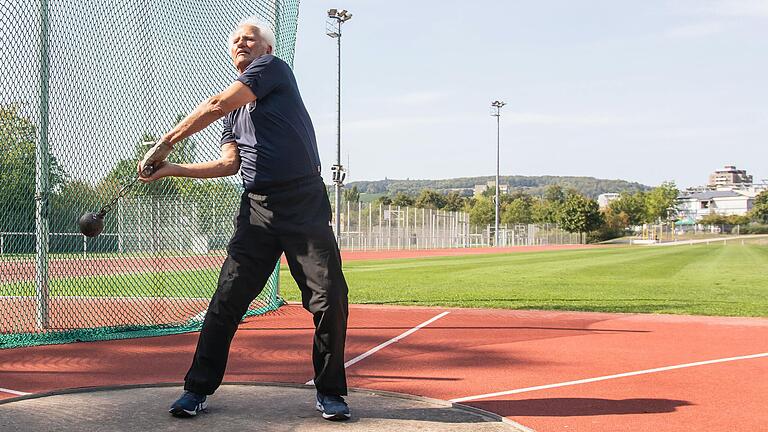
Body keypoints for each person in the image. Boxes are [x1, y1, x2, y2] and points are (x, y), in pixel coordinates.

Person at [137, 16, 350, 421]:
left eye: (250, 39)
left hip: (303, 202)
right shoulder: (236, 114)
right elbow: (228, 165)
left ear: (266, 49)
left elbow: (216, 104)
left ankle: (330, 392)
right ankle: (196, 390)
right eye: (235, 39)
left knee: (330, 299)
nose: (241, 43)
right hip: (256, 208)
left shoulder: (272, 69)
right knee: (226, 301)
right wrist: (171, 169)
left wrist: (164, 144)